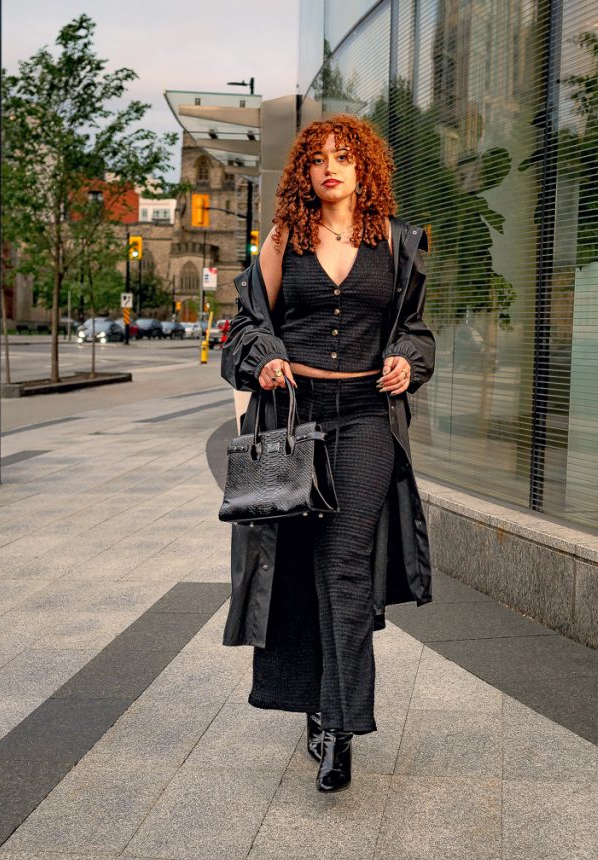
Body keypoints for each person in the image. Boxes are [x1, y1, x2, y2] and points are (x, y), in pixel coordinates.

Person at [221, 114, 435, 793]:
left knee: (345, 565)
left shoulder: (397, 241)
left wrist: (405, 360)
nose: (330, 168)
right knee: (300, 567)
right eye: (317, 159)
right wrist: (265, 356)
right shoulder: (283, 239)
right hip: (296, 418)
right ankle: (314, 702)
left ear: (364, 166)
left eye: (343, 156)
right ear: (304, 174)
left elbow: (416, 332)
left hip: (367, 419)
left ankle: (339, 729)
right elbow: (244, 327)